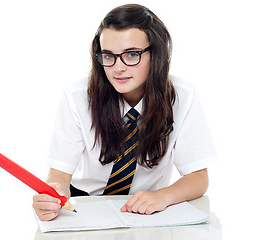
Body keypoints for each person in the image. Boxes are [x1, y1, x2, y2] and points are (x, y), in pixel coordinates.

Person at [32, 4, 217, 221]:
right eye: (108, 56)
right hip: (85, 202)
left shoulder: (183, 96)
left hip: (146, 207)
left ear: (155, 54)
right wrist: (53, 195)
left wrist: (163, 196)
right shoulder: (77, 97)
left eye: (131, 54)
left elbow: (197, 177)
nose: (118, 68)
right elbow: (59, 174)